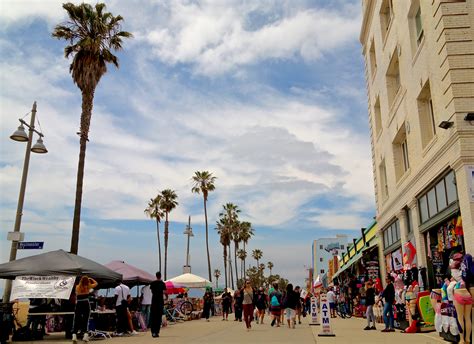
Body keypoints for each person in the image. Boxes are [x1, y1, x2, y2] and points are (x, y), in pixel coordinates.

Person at [72, 276, 97, 342]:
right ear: (87, 281)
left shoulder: (77, 287)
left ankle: (74, 335)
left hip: (79, 303)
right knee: (86, 319)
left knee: (77, 319)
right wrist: (91, 278)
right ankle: (85, 335)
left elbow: (76, 294)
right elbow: (96, 283)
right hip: (86, 302)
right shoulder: (88, 286)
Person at [150, 272, 166, 338]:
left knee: (153, 317)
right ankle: (157, 332)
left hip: (154, 302)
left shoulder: (152, 283)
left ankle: (153, 332)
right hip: (160, 302)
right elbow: (165, 292)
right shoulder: (162, 283)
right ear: (160, 276)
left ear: (156, 276)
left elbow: (151, 291)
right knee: (158, 318)